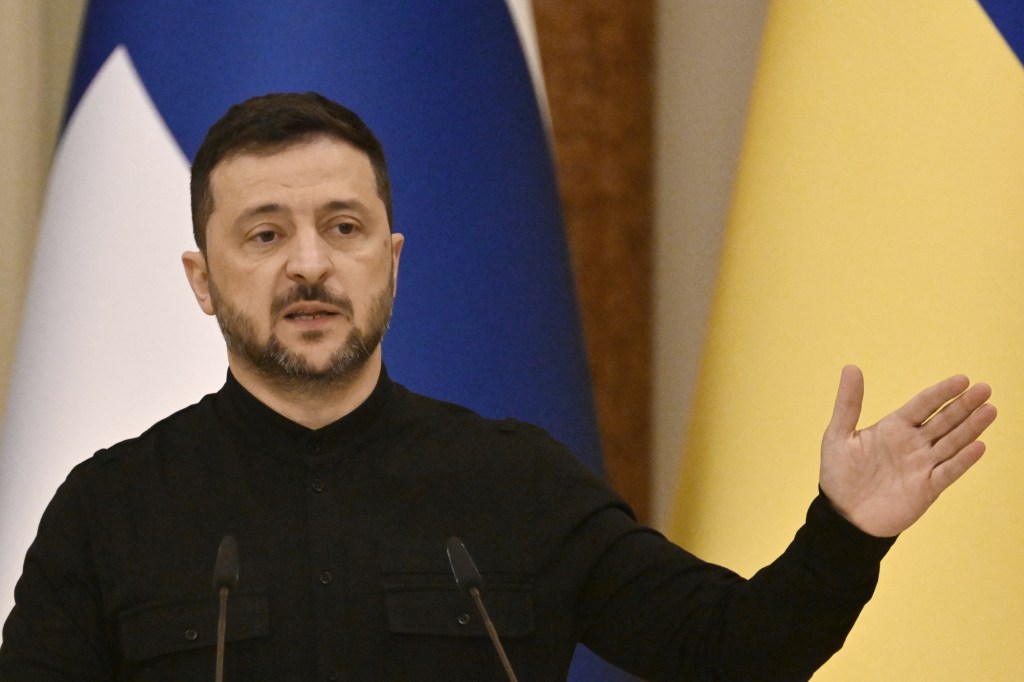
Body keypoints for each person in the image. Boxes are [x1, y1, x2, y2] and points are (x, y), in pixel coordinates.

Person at [0, 92, 997, 681]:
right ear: (203, 278)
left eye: (343, 229)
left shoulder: (515, 482)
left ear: (389, 260)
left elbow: (731, 653)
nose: (308, 264)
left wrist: (846, 530)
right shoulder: (109, 510)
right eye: (264, 234)